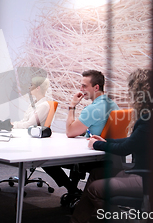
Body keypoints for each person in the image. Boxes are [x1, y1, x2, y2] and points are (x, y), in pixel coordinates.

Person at [69, 68, 151, 223]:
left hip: (146, 177)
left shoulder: (148, 118)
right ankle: (77, 220)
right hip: (140, 170)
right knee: (96, 174)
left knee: (95, 189)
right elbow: (131, 141)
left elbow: (70, 132)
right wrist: (106, 142)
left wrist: (98, 144)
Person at [43, 70, 119, 205]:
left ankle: (72, 190)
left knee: (45, 159)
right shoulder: (112, 104)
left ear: (96, 87)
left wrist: (72, 106)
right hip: (110, 156)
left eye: (84, 86)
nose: (81, 89)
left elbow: (70, 132)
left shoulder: (93, 109)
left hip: (93, 158)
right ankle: (74, 191)